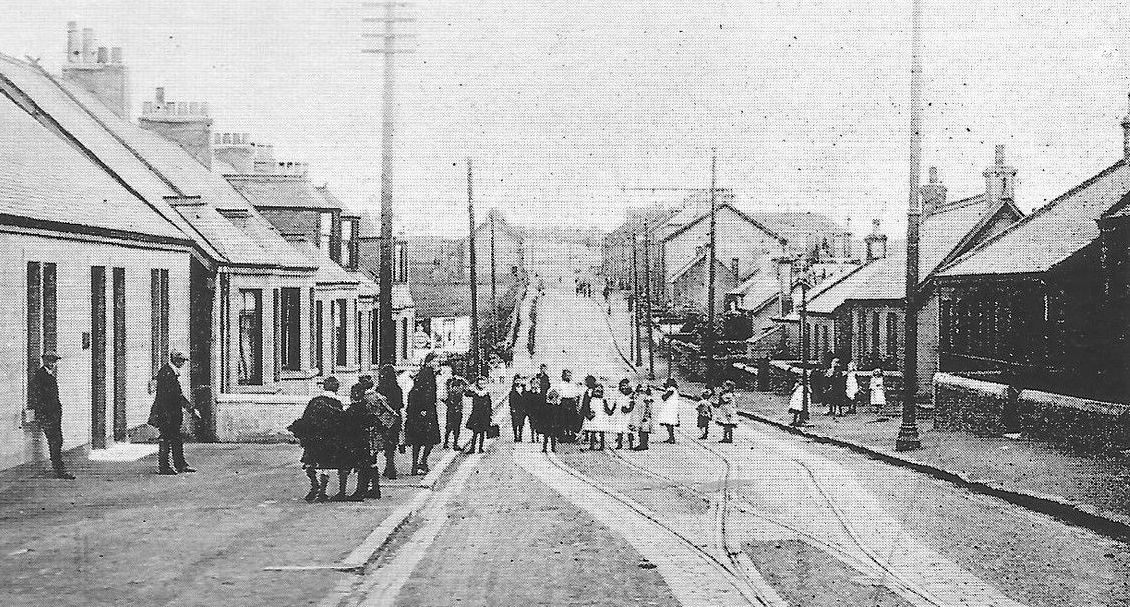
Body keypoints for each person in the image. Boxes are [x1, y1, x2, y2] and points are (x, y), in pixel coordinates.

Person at [294, 376, 348, 502]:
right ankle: (323, 489)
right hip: (331, 444)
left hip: (314, 442)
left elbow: (305, 420)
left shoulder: (314, 401)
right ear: (337, 389)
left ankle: (315, 485)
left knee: (310, 463)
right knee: (328, 465)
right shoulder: (337, 403)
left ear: (324, 386)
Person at [148, 349, 198, 475]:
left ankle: (180, 464)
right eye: (182, 361)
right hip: (166, 413)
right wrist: (191, 410)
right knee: (166, 439)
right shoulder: (167, 373)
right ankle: (164, 467)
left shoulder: (171, 372)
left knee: (175, 438)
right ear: (176, 360)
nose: (183, 364)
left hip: (171, 413)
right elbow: (176, 396)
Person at [27, 351, 73, 479]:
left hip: (53, 415)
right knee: (55, 441)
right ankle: (59, 470)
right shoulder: (41, 376)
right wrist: (43, 415)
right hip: (48, 415)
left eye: (54, 361)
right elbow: (38, 397)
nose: (52, 363)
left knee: (57, 441)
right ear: (44, 360)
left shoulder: (49, 375)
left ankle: (59, 468)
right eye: (50, 360)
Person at [404, 352, 441, 475]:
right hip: (425, 411)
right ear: (430, 362)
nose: (438, 363)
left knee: (418, 440)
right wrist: (423, 409)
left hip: (421, 410)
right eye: (436, 361)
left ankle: (416, 465)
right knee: (429, 439)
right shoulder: (427, 373)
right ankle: (422, 462)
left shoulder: (426, 372)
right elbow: (423, 393)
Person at [377, 365, 404, 479]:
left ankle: (389, 467)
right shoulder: (397, 389)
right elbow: (400, 404)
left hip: (382, 419)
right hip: (394, 418)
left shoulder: (379, 389)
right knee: (391, 444)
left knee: (384, 443)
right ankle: (390, 466)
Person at [464, 376, 493, 454]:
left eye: (483, 383)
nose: (482, 385)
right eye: (480, 383)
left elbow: (489, 404)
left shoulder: (486, 393)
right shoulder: (475, 392)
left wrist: (490, 414)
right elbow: (466, 393)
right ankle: (472, 448)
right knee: (475, 433)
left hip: (484, 415)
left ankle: (480, 448)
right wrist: (472, 387)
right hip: (476, 414)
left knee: (482, 433)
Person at [556, 370, 583, 443]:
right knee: (563, 420)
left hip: (572, 402)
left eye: (569, 375)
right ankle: (562, 436)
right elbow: (558, 394)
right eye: (566, 375)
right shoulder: (560, 384)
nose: (568, 376)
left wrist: (577, 404)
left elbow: (578, 394)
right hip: (564, 402)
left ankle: (571, 436)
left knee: (572, 420)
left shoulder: (573, 384)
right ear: (563, 376)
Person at [608, 378, 634, 450]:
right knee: (619, 429)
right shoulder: (618, 395)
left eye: (625, 385)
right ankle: (619, 444)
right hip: (619, 414)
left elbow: (632, 405)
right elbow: (615, 404)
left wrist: (628, 409)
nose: (623, 388)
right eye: (622, 386)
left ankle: (631, 444)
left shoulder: (631, 395)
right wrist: (611, 411)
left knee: (629, 430)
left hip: (628, 415)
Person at [443, 375, 468, 450]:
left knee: (449, 428)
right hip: (457, 411)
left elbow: (447, 383)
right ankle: (455, 444)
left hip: (450, 411)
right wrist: (462, 379)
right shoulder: (460, 390)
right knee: (456, 428)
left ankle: (446, 442)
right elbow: (467, 385)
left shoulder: (450, 390)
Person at [655, 378, 681, 444]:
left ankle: (671, 437)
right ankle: (671, 437)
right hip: (672, 406)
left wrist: (663, 394)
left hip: (669, 407)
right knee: (669, 422)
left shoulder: (671, 389)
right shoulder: (674, 389)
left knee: (668, 422)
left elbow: (664, 397)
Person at [630, 384, 654, 451]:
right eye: (640, 390)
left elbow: (648, 407)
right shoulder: (638, 396)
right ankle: (642, 444)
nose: (641, 391)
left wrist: (646, 415)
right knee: (640, 430)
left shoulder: (647, 397)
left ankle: (644, 445)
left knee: (644, 430)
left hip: (645, 416)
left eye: (643, 390)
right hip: (640, 415)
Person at [524, 375, 545, 443]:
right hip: (531, 411)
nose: (534, 385)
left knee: (538, 423)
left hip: (539, 411)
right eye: (533, 383)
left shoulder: (540, 394)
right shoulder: (528, 393)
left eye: (536, 383)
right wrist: (527, 411)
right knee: (532, 424)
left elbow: (542, 402)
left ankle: (537, 436)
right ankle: (533, 436)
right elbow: (527, 403)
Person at [508, 374, 528, 442]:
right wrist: (512, 408)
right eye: (516, 380)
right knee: (515, 422)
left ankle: (520, 435)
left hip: (522, 409)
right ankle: (515, 435)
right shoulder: (512, 391)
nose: (518, 382)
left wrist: (526, 408)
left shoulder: (524, 390)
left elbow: (526, 399)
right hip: (515, 409)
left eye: (519, 380)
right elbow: (511, 400)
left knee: (521, 423)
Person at [541, 387, 561, 453]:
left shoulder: (557, 406)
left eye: (555, 398)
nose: (554, 400)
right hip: (548, 423)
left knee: (553, 437)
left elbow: (559, 416)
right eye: (553, 398)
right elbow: (544, 415)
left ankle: (553, 448)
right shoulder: (547, 406)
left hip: (554, 423)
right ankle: (544, 447)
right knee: (546, 436)